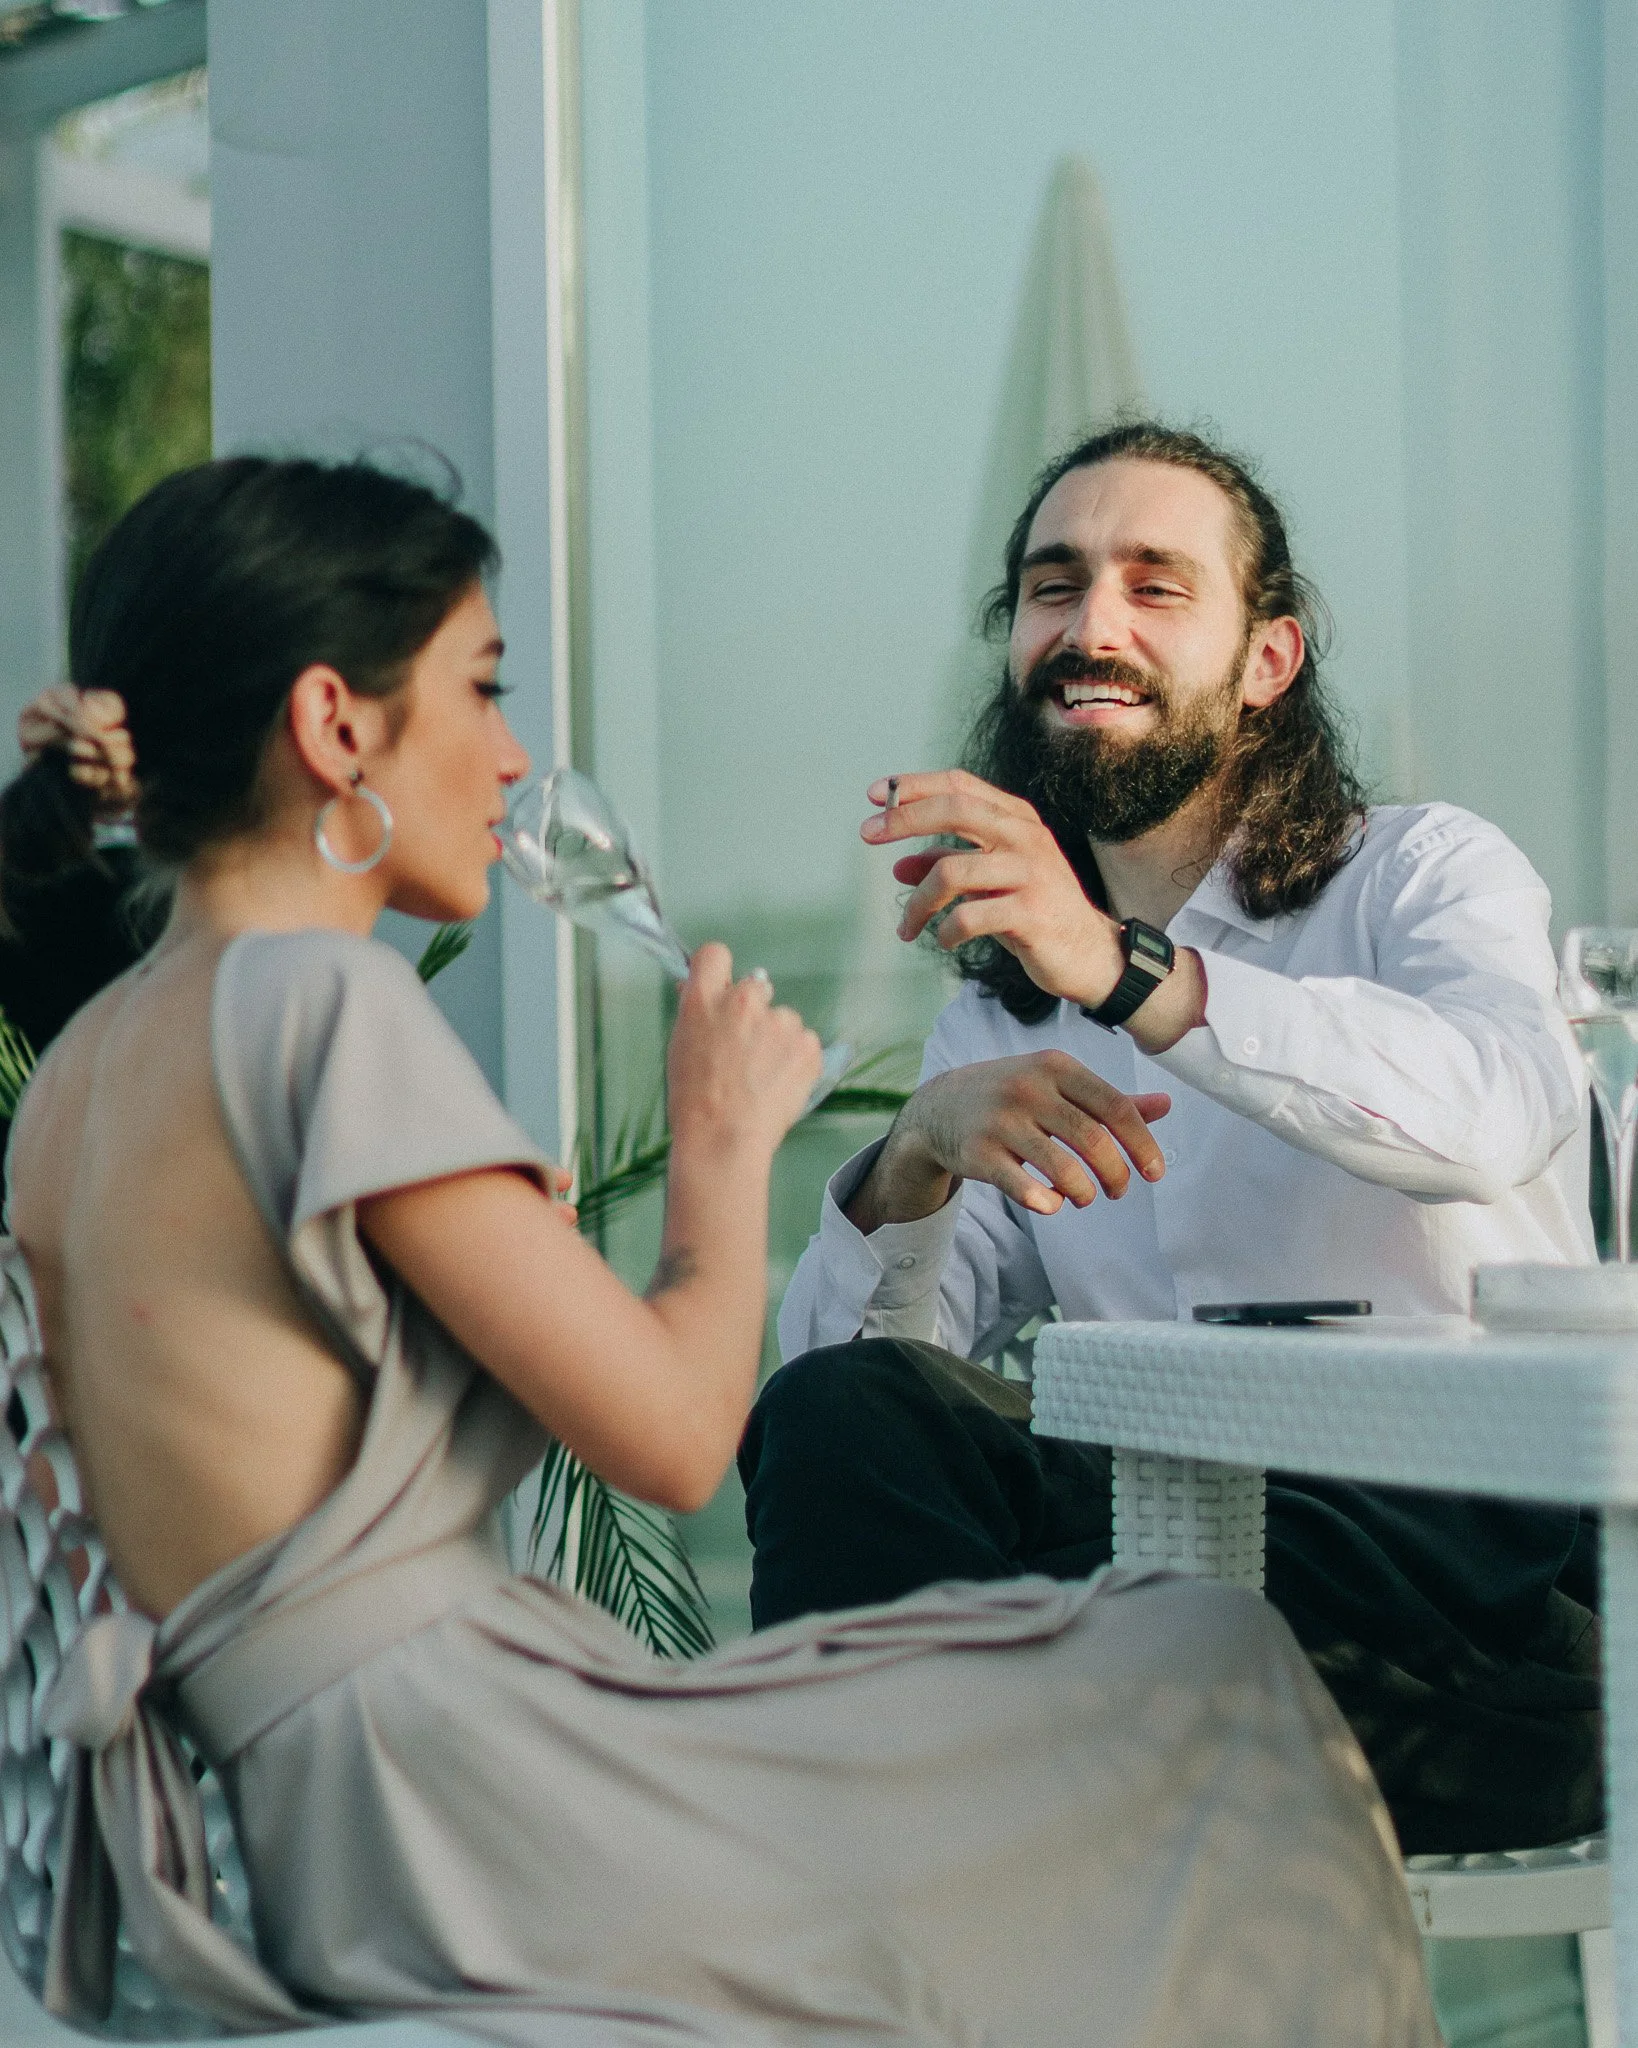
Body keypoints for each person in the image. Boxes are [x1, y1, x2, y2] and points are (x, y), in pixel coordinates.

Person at [2, 455, 1437, 2046]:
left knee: (1082, 1681)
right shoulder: (317, 1008)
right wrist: (726, 1144)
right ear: (339, 728)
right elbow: (682, 1444)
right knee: (1209, 1665)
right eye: (478, 692)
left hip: (281, 1839)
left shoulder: (89, 1062)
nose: (513, 757)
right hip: (465, 1812)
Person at [757, 420, 1600, 1860]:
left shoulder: (1418, 872)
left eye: (1155, 586)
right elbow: (852, 1423)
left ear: (1264, 661)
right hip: (1164, 1585)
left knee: (1018, 1667)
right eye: (1051, 586)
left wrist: (1136, 978)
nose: (1091, 627)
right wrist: (908, 1166)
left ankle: (878, 1908)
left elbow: (1499, 1104)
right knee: (850, 1424)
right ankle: (892, 1911)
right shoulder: (1000, 1021)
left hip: (1468, 1627)